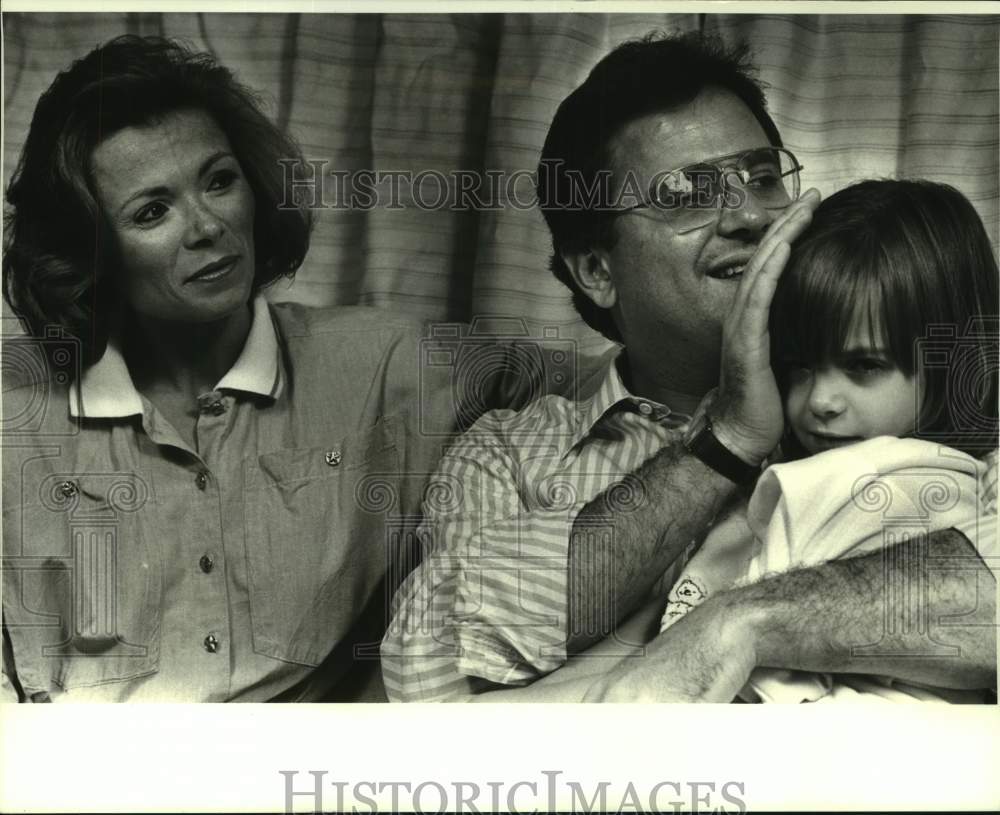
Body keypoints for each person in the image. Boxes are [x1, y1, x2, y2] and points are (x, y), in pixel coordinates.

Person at [381, 33, 997, 702]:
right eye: (685, 193)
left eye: (763, 177)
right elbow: (426, 675)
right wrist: (725, 442)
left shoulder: (928, 399)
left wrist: (741, 621)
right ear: (597, 271)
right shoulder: (510, 454)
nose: (751, 215)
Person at [0, 35, 526, 702]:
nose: (207, 226)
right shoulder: (15, 421)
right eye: (152, 211)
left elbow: (603, 380)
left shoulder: (383, 362)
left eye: (219, 180)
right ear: (90, 251)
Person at [657, 178, 998, 703]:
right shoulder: (779, 484)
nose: (820, 400)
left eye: (864, 366)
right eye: (800, 367)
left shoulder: (935, 488)